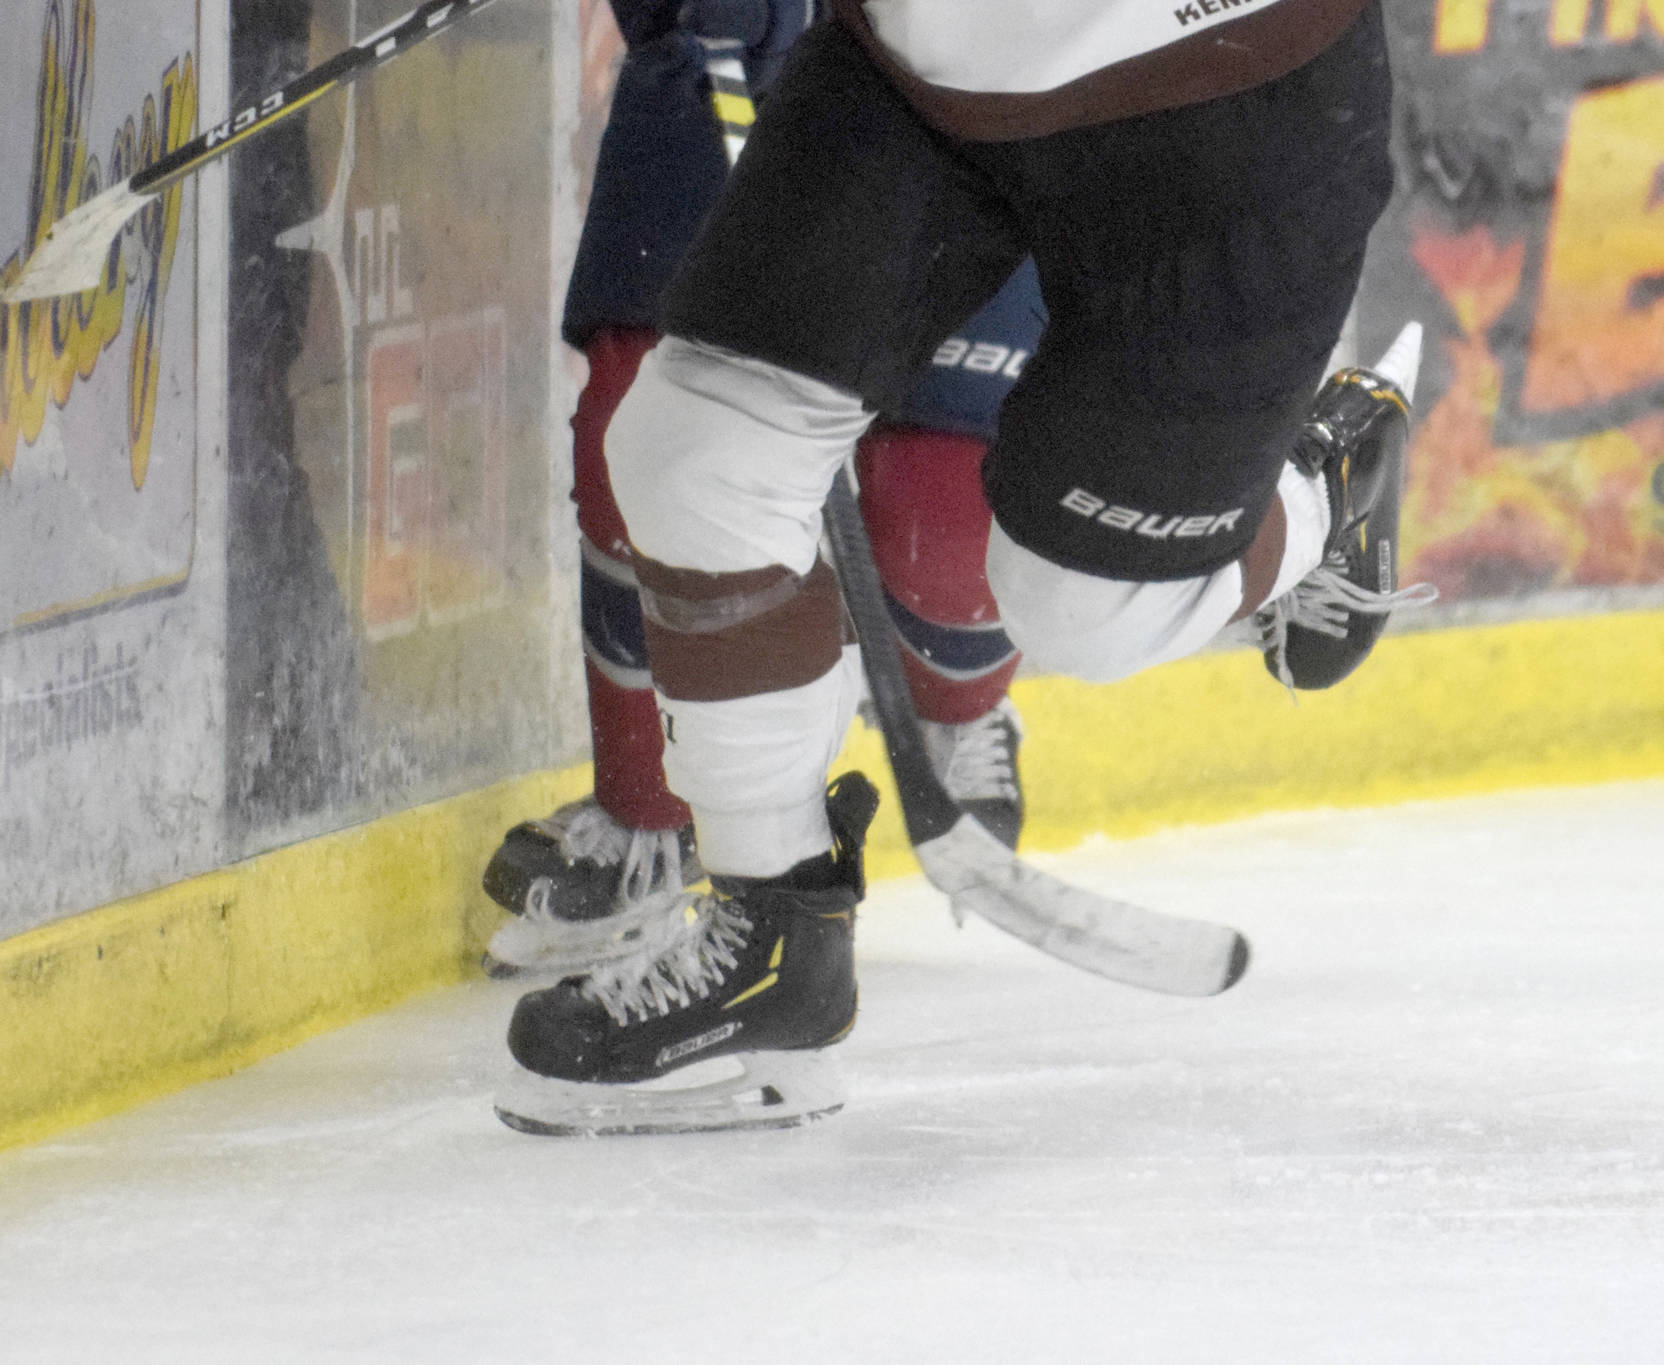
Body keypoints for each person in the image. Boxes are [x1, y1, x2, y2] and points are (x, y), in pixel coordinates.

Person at [497, 0, 1437, 1134]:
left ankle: (1317, 495)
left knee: (1081, 613)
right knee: (698, 449)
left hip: (1224, 113)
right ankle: (773, 943)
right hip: (922, 80)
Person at [480, 0, 1044, 981]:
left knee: (946, 542)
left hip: (971, 66)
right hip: (731, 43)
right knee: (649, 436)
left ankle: (954, 699)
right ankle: (646, 819)